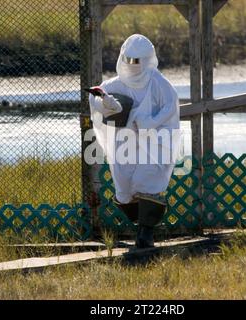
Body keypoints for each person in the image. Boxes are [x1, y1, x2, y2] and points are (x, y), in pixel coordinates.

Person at [88, 34, 181, 248]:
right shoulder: (116, 84)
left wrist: (151, 121)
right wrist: (105, 103)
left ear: (147, 60)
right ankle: (139, 225)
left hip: (153, 143)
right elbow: (98, 96)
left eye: (136, 61)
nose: (132, 66)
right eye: (128, 60)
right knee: (124, 186)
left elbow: (170, 108)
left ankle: (146, 233)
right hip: (126, 144)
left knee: (147, 181)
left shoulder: (158, 84)